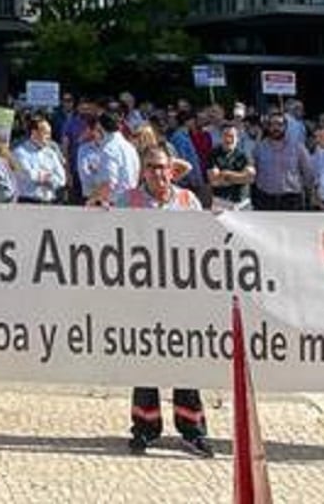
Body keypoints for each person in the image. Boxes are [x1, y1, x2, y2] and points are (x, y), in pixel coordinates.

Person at [112, 146, 216, 458]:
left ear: (172, 169)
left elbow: (204, 241)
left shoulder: (188, 200)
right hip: (142, 296)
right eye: (151, 167)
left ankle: (192, 430)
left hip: (180, 297)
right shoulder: (127, 202)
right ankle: (144, 428)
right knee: (145, 364)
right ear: (143, 170)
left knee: (185, 363)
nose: (158, 173)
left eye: (162, 167)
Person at [249, 111, 313, 210]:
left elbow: (308, 173)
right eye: (272, 124)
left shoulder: (298, 147)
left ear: (285, 126)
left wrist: (309, 195)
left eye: (279, 124)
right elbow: (252, 173)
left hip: (291, 199)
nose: (276, 128)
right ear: (268, 127)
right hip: (265, 199)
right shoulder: (259, 148)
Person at [76, 113, 139, 206]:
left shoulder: (109, 149)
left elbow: (109, 182)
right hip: (132, 201)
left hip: (114, 204)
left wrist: (92, 201)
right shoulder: (130, 147)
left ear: (100, 127)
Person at [12, 114, 67, 203]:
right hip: (28, 201)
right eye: (46, 133)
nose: (49, 137)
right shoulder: (20, 153)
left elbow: (62, 179)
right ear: (34, 133)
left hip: (49, 201)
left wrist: (43, 176)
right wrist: (50, 175)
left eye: (50, 133)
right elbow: (29, 175)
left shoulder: (51, 153)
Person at [207, 121, 255, 210]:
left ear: (238, 138)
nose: (229, 139)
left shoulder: (244, 155)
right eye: (226, 135)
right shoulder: (213, 155)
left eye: (232, 136)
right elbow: (215, 181)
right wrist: (240, 177)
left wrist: (225, 174)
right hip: (221, 202)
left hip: (242, 203)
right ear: (221, 137)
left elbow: (250, 178)